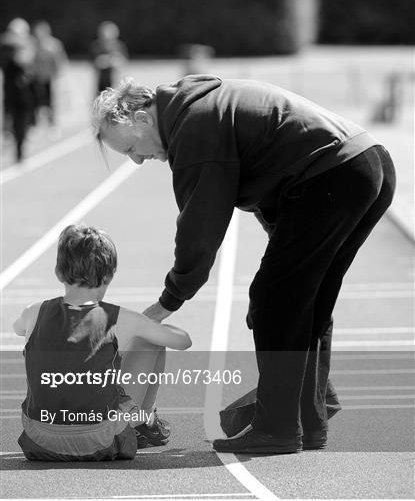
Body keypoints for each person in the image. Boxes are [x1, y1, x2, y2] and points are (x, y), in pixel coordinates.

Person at [92, 75, 396, 454]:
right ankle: (308, 420)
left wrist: (171, 298)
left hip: (335, 175)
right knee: (305, 301)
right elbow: (273, 177)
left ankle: (278, 429)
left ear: (141, 119)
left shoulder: (193, 126)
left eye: (131, 148)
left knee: (274, 301)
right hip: (366, 163)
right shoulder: (200, 108)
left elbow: (201, 224)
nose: (137, 160)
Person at [13, 224, 191, 461]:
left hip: (40, 439)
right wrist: (149, 323)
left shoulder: (34, 311)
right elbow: (183, 341)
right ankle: (143, 421)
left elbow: (18, 329)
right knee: (151, 341)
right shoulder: (118, 317)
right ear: (108, 275)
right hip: (100, 439)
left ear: (58, 272)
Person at [0, 18, 36, 162]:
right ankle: (10, 141)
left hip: (24, 93)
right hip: (11, 92)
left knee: (21, 122)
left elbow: (31, 69)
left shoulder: (28, 46)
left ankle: (20, 149)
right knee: (11, 120)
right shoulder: (6, 49)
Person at [32, 20, 67, 127]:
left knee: (51, 102)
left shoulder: (54, 44)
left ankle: (52, 124)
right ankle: (36, 123)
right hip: (37, 78)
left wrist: (58, 77)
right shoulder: (34, 44)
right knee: (36, 102)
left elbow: (60, 61)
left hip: (50, 78)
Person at [89, 21, 128, 96]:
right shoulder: (96, 46)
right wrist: (109, 60)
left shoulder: (119, 46)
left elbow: (123, 62)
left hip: (116, 82)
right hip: (101, 83)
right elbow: (95, 62)